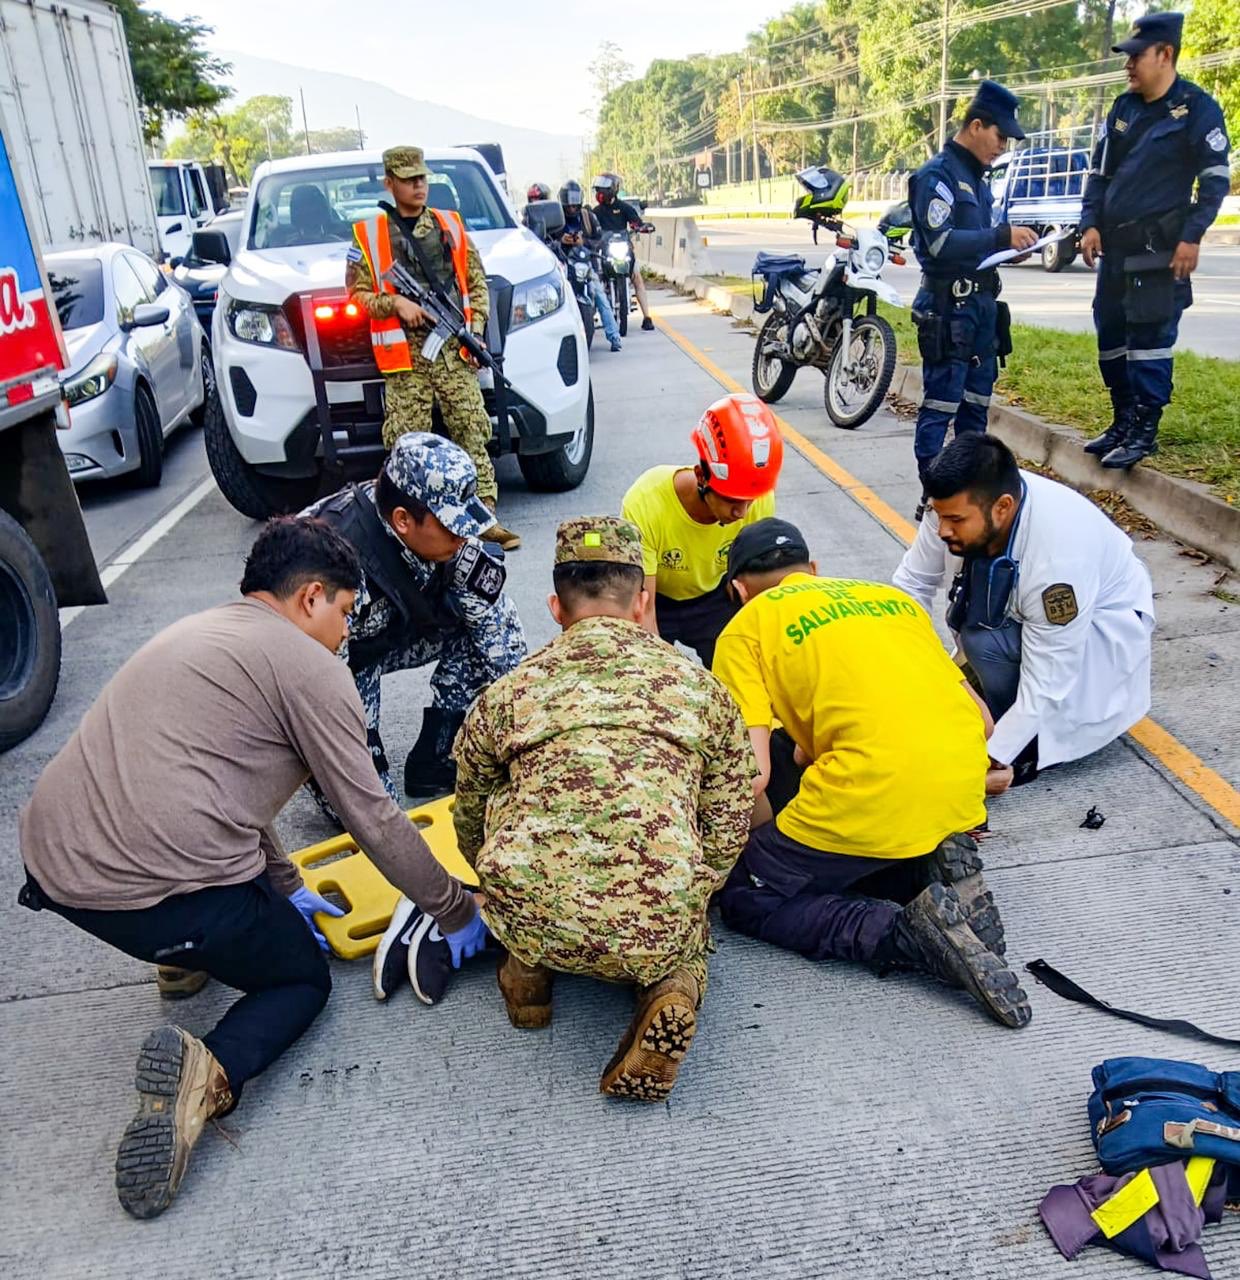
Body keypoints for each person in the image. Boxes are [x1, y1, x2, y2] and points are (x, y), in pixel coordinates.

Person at [17, 517, 487, 1219]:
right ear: (310, 598)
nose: (346, 632)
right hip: (147, 893)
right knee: (300, 980)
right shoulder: (313, 670)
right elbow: (373, 817)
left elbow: (231, 788)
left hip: (54, 864)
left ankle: (183, 961)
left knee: (198, 852)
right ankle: (206, 1072)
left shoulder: (204, 634)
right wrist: (453, 908)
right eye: (345, 613)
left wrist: (288, 882)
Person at [449, 516, 753, 1100]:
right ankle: (670, 989)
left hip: (532, 909)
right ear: (642, 602)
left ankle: (528, 979)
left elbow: (469, 813)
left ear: (555, 607)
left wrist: (493, 881)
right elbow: (730, 812)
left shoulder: (508, 693)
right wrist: (693, 887)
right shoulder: (700, 688)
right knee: (683, 931)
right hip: (655, 919)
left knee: (510, 823)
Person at [712, 517, 1032, 1030]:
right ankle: (926, 864)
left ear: (738, 590)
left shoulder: (746, 627)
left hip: (872, 793)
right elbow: (984, 722)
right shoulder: (892, 601)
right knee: (846, 816)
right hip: (956, 790)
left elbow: (749, 773)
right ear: (813, 569)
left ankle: (903, 932)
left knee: (748, 897)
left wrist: (748, 851)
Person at [893, 434, 1155, 787]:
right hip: (1031, 620)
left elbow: (1047, 680)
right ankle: (992, 696)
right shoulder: (954, 505)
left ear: (1002, 507)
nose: (942, 530)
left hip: (1096, 633)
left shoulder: (1059, 561)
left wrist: (994, 755)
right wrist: (916, 668)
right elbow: (913, 585)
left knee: (984, 638)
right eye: (939, 516)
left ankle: (1029, 747)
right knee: (967, 629)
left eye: (955, 520)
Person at [303, 432, 526, 814]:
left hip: (391, 634)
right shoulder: (331, 563)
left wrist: (531, 738)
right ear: (403, 520)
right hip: (329, 666)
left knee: (479, 635)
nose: (465, 536)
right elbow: (317, 686)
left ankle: (436, 755)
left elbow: (504, 648)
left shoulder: (455, 542)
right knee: (376, 815)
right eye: (452, 526)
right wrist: (356, 752)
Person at [346, 144, 520, 551]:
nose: (418, 186)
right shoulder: (369, 234)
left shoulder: (450, 226)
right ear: (390, 183)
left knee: (472, 429)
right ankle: (413, 533)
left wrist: (474, 327)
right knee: (408, 445)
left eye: (422, 178)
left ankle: (484, 519)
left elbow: (476, 284)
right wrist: (396, 303)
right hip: (404, 359)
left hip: (452, 351)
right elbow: (357, 295)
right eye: (408, 180)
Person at [1078, 12, 1230, 470]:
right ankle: (1122, 420)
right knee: (1110, 335)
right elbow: (1099, 174)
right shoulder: (1123, 109)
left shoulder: (1197, 109)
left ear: (1165, 55)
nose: (1128, 65)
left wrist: (1192, 236)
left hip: (1158, 250)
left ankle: (1145, 429)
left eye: (1135, 56)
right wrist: (1090, 223)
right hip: (1116, 249)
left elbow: (1215, 181)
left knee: (1150, 340)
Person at [907, 81, 1039, 516]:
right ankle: (935, 496)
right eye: (1000, 136)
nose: (1003, 147)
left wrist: (1007, 250)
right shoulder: (937, 176)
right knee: (941, 405)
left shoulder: (979, 181)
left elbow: (977, 244)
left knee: (975, 412)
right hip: (948, 310)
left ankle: (964, 494)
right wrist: (999, 235)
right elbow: (942, 244)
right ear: (976, 125)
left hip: (981, 311)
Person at [621, 392, 783, 666]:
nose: (742, 513)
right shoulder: (646, 503)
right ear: (700, 476)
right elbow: (644, 608)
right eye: (731, 500)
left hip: (718, 595)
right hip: (659, 600)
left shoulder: (758, 497)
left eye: (749, 501)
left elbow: (759, 595)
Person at [559, 179, 622, 352]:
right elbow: (546, 239)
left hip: (586, 265)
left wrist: (583, 242)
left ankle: (614, 336)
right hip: (564, 266)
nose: (572, 208)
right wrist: (561, 241)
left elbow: (600, 239)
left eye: (574, 205)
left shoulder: (589, 217)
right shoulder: (557, 219)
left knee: (601, 297)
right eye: (569, 205)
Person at [591, 172, 654, 330]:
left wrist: (642, 227)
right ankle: (589, 318)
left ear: (612, 190)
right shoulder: (595, 212)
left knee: (637, 278)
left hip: (624, 249)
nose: (600, 193)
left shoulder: (624, 208)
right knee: (593, 280)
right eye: (598, 190)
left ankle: (647, 317)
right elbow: (589, 230)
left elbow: (635, 223)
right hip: (604, 252)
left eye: (603, 190)